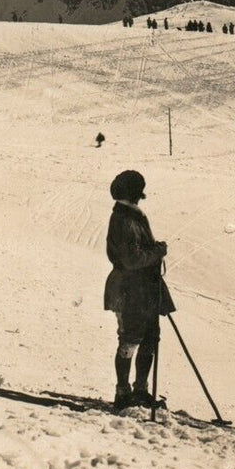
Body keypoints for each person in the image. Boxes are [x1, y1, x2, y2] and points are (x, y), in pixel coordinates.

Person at [103, 170, 174, 411]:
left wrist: (153, 250)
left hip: (145, 288)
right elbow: (132, 259)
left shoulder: (131, 216)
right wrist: (158, 252)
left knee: (150, 337)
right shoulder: (123, 220)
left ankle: (140, 391)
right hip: (129, 288)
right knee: (131, 338)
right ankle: (123, 393)